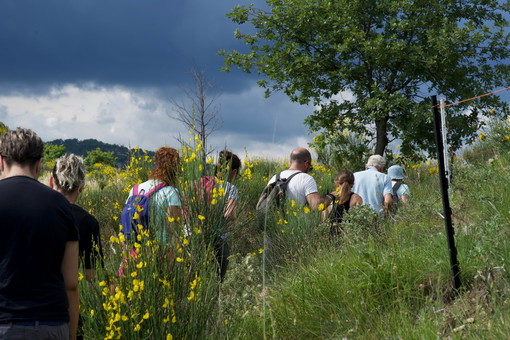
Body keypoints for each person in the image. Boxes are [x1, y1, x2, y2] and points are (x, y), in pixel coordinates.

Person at [0, 128, 79, 340]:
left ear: (1, 161)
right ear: (39, 164)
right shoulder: (61, 206)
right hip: (51, 323)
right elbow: (70, 282)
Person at [50, 154, 104, 281]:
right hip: (67, 294)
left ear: (51, 181)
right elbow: (91, 275)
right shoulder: (89, 223)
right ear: (82, 187)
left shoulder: (36, 211)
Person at [125, 147, 181, 243]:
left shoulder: (135, 189)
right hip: (162, 251)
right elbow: (173, 231)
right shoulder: (172, 192)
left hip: (135, 250)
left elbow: (126, 223)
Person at [266, 147, 336, 210]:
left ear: (290, 162)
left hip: (272, 223)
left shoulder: (275, 177)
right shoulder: (306, 178)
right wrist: (331, 196)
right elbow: (316, 206)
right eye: (310, 167)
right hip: (295, 224)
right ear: (306, 163)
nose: (309, 170)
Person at [212, 150, 241, 281]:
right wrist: (235, 216)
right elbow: (228, 214)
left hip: (192, 236)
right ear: (234, 172)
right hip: (217, 239)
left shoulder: (203, 182)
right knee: (217, 279)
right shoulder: (230, 188)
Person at [322, 170, 362, 235]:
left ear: (336, 183)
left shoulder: (330, 197)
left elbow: (323, 219)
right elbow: (358, 221)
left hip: (329, 236)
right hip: (348, 236)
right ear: (352, 185)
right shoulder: (356, 198)